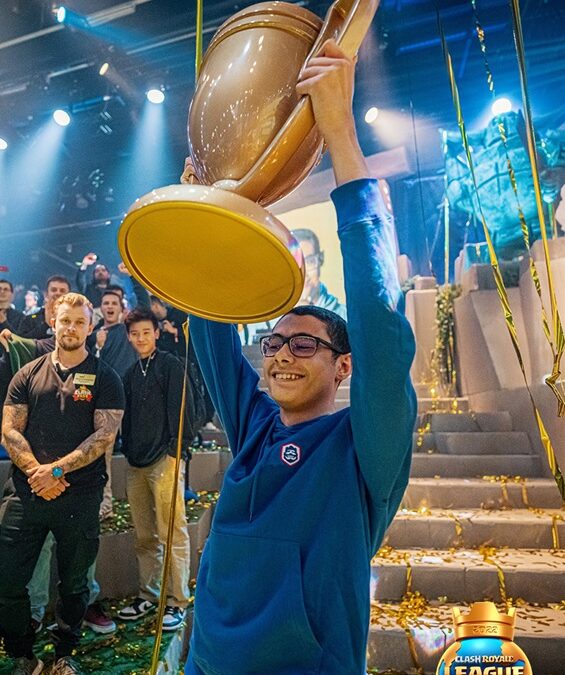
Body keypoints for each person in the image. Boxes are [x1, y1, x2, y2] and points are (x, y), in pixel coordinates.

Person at [183, 40, 416, 675]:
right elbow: (208, 321)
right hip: (206, 661)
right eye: (275, 342)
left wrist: (340, 132)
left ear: (344, 366)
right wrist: (205, 210)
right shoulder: (254, 427)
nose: (283, 354)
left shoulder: (363, 449)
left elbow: (381, 330)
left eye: (306, 343)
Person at [0, 292, 124, 675]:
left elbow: (104, 436)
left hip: (79, 495)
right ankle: (23, 654)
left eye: (79, 322)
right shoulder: (27, 373)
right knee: (7, 579)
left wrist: (54, 472)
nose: (71, 328)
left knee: (74, 585)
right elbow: (10, 430)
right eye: (65, 320)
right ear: (53, 321)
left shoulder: (106, 378)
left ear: (91, 327)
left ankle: (64, 654)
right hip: (25, 493)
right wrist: (37, 472)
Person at [117, 308, 192, 631]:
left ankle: (178, 601)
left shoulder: (170, 365)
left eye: (146, 332)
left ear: (157, 333)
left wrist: (177, 452)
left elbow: (183, 410)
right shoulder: (130, 374)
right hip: (136, 463)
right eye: (135, 334)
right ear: (129, 337)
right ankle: (149, 595)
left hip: (166, 459)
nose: (141, 338)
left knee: (172, 531)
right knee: (145, 535)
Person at [292, 227, 347, 318]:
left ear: (321, 259)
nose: (303, 274)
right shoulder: (269, 321)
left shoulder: (347, 317)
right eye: (294, 264)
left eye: (310, 261)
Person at [88, 290, 136, 379]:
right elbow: (89, 367)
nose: (110, 306)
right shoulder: (92, 336)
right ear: (101, 308)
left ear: (121, 309)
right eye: (106, 303)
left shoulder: (129, 331)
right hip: (105, 384)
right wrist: (98, 346)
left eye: (114, 303)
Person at [21, 276, 71, 340]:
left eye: (62, 291)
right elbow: (22, 342)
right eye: (54, 290)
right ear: (46, 294)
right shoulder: (30, 319)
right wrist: (46, 325)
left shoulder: (76, 318)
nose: (58, 293)